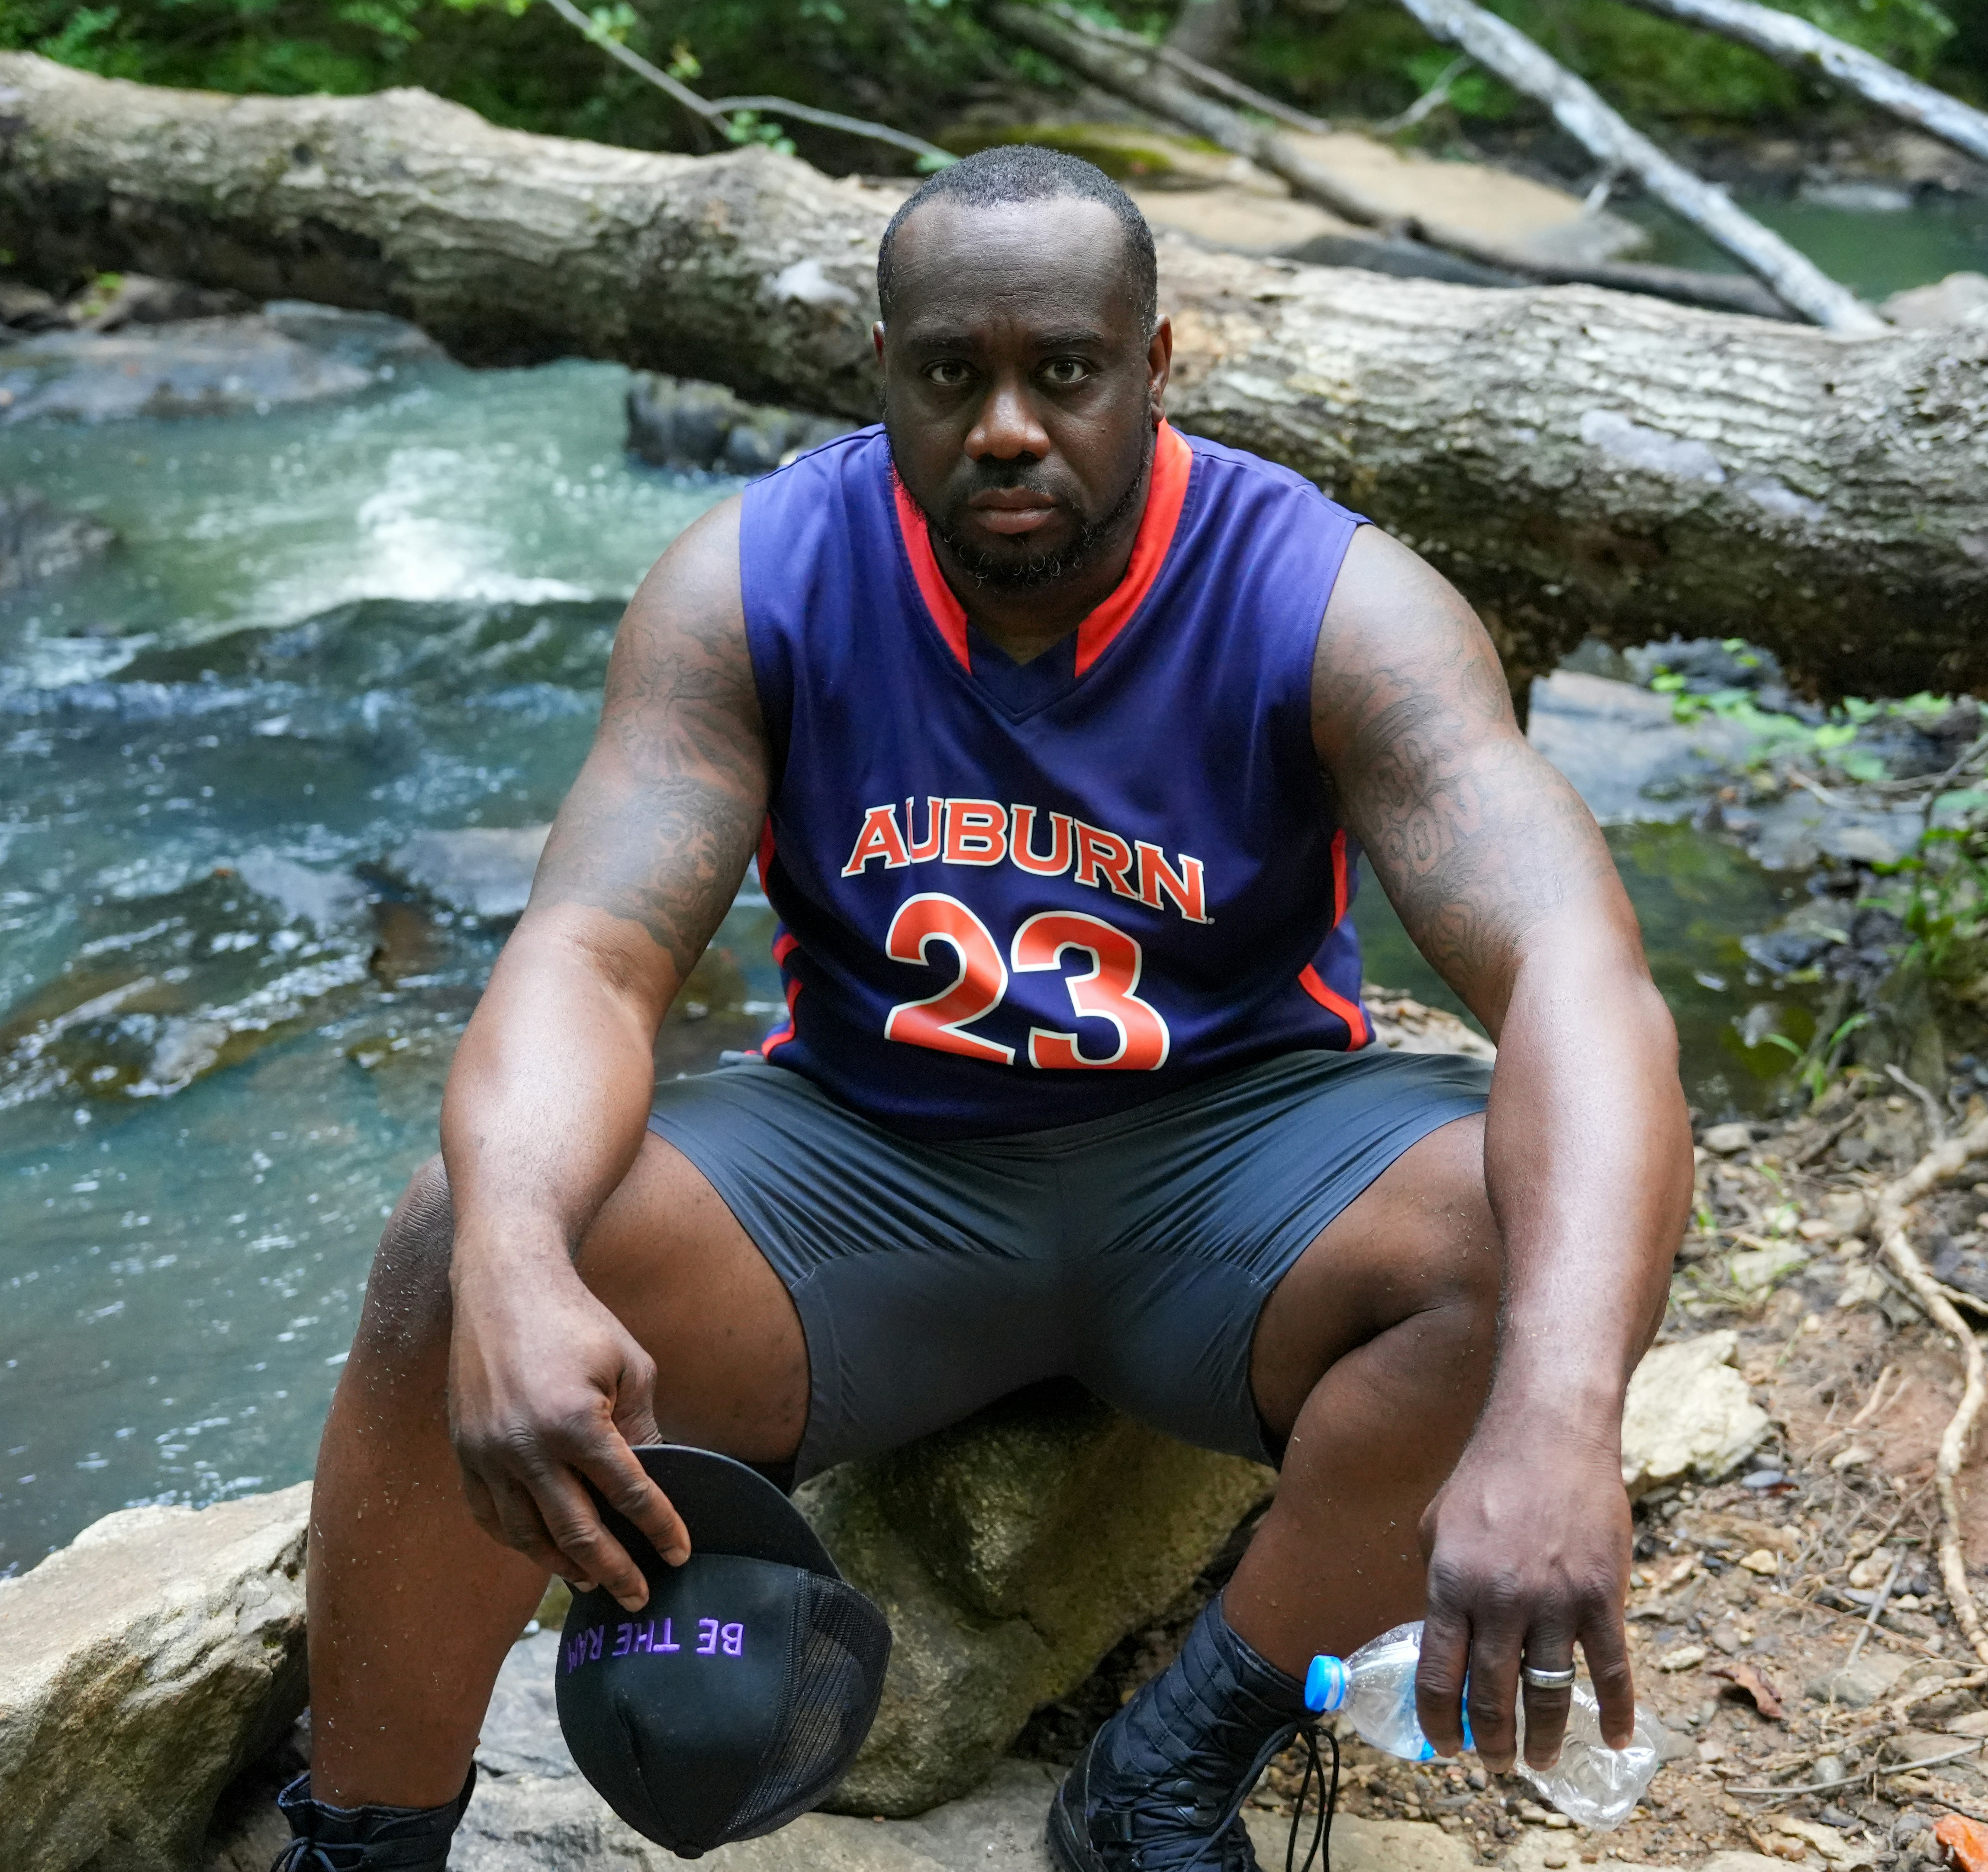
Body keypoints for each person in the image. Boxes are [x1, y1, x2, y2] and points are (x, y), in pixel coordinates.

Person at [274, 145, 1693, 1871]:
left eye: (1065, 373)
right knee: (457, 1243)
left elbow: (1580, 980)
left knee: (1538, 1240)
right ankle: (363, 1841)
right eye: (954, 374)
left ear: (1154, 367)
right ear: (884, 371)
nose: (1008, 424)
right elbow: (587, 955)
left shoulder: (1332, 602)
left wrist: (1563, 1417)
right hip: (868, 1171)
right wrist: (508, 1252)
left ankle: (1170, 1771)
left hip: (1234, 1172)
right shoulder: (753, 585)